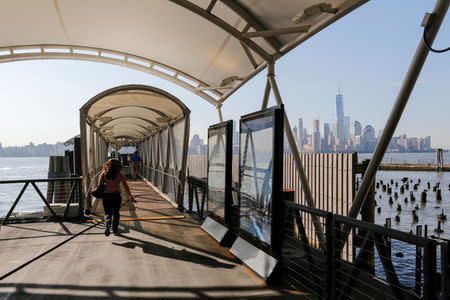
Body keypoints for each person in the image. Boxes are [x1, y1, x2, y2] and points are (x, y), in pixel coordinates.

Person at [98, 159, 133, 236]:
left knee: (107, 212)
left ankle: (107, 226)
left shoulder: (103, 174)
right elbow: (126, 186)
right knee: (116, 213)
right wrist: (130, 196)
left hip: (106, 196)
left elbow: (99, 185)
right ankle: (115, 230)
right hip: (116, 196)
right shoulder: (120, 175)